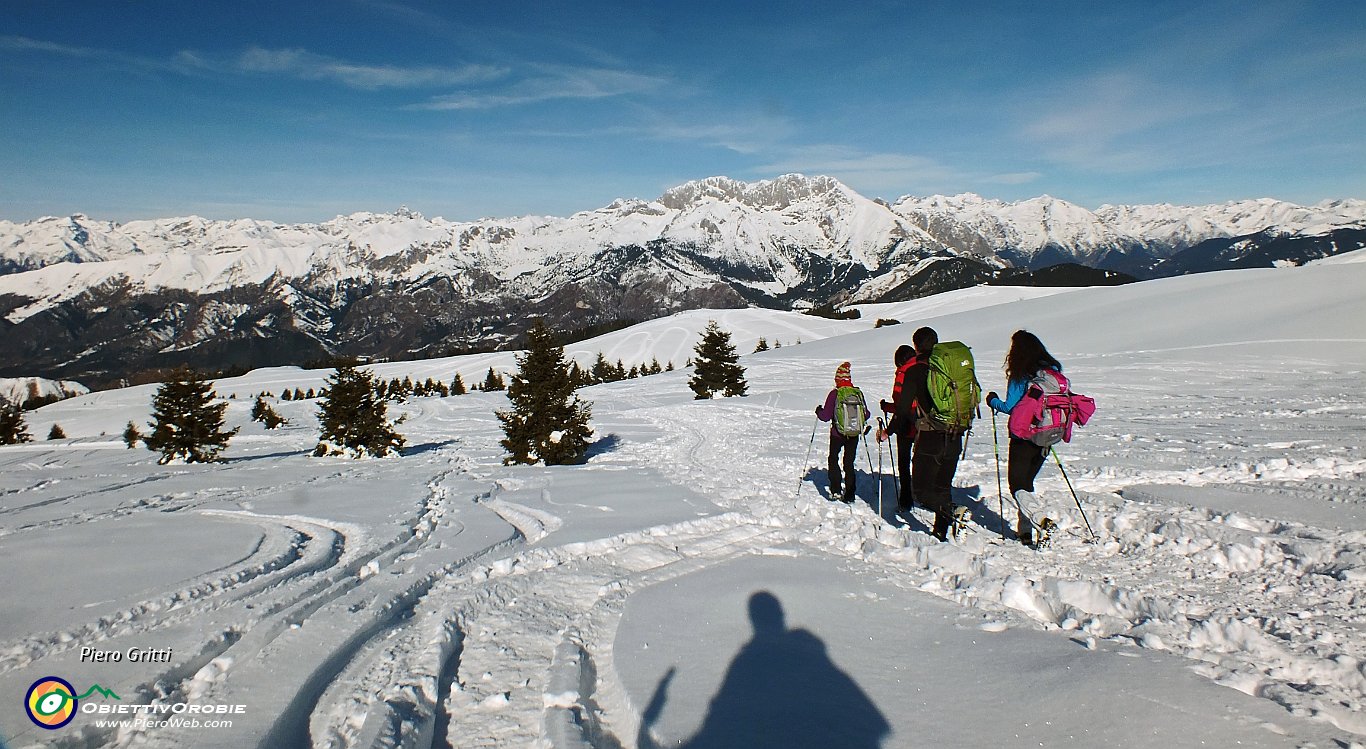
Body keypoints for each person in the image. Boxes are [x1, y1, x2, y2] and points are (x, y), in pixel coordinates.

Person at [986, 329, 1063, 546]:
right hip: (1048, 434)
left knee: (1017, 485)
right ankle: (1025, 531)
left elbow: (1011, 406)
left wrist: (993, 401)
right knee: (1026, 483)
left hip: (1023, 437)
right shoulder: (1052, 371)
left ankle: (1040, 521)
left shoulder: (1020, 373)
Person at [903, 327, 963, 540]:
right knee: (942, 485)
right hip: (956, 432)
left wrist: (911, 423)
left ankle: (951, 511)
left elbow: (903, 410)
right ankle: (941, 532)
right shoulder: (949, 369)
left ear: (916, 347)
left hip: (930, 436)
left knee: (921, 491)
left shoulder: (915, 371)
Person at [815, 361, 869, 503]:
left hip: (837, 433)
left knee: (833, 458)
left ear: (837, 379)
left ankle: (836, 490)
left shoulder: (835, 394)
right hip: (854, 433)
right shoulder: (857, 393)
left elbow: (825, 416)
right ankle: (850, 494)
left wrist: (818, 411)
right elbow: (866, 414)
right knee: (849, 462)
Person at [876, 344, 917, 511]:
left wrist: (888, 430)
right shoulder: (926, 368)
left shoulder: (904, 373)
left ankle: (906, 500)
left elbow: (903, 405)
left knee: (904, 462)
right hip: (927, 422)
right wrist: (888, 407)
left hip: (906, 424)